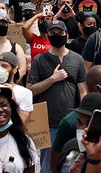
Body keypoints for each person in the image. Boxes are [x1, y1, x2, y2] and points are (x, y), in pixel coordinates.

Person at [27, 20, 88, 173]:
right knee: (48, 165)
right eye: (53, 33)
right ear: (48, 35)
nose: (56, 35)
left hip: (72, 122)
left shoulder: (77, 59)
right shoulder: (40, 60)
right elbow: (30, 89)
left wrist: (81, 117)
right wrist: (52, 79)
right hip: (48, 123)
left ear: (66, 35)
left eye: (60, 33)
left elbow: (83, 90)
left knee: (72, 164)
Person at [50, 65, 101, 173]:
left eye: (89, 123)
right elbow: (55, 166)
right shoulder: (71, 148)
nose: (83, 129)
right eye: (79, 122)